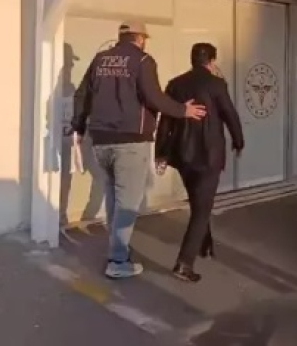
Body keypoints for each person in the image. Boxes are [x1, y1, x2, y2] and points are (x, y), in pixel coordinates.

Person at [71, 21, 207, 279]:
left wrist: (78, 126)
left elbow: (82, 95)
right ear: (141, 38)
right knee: (127, 204)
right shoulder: (143, 61)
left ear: (121, 37)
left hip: (100, 140)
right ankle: (118, 261)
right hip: (130, 143)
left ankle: (118, 249)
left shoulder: (100, 59)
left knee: (114, 196)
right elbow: (153, 97)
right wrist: (183, 110)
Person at [155, 43, 244, 283]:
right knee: (202, 209)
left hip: (183, 155)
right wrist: (238, 141)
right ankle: (184, 264)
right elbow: (229, 113)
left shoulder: (175, 84)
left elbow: (166, 121)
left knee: (198, 202)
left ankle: (204, 244)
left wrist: (161, 152)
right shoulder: (216, 84)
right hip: (209, 155)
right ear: (211, 61)